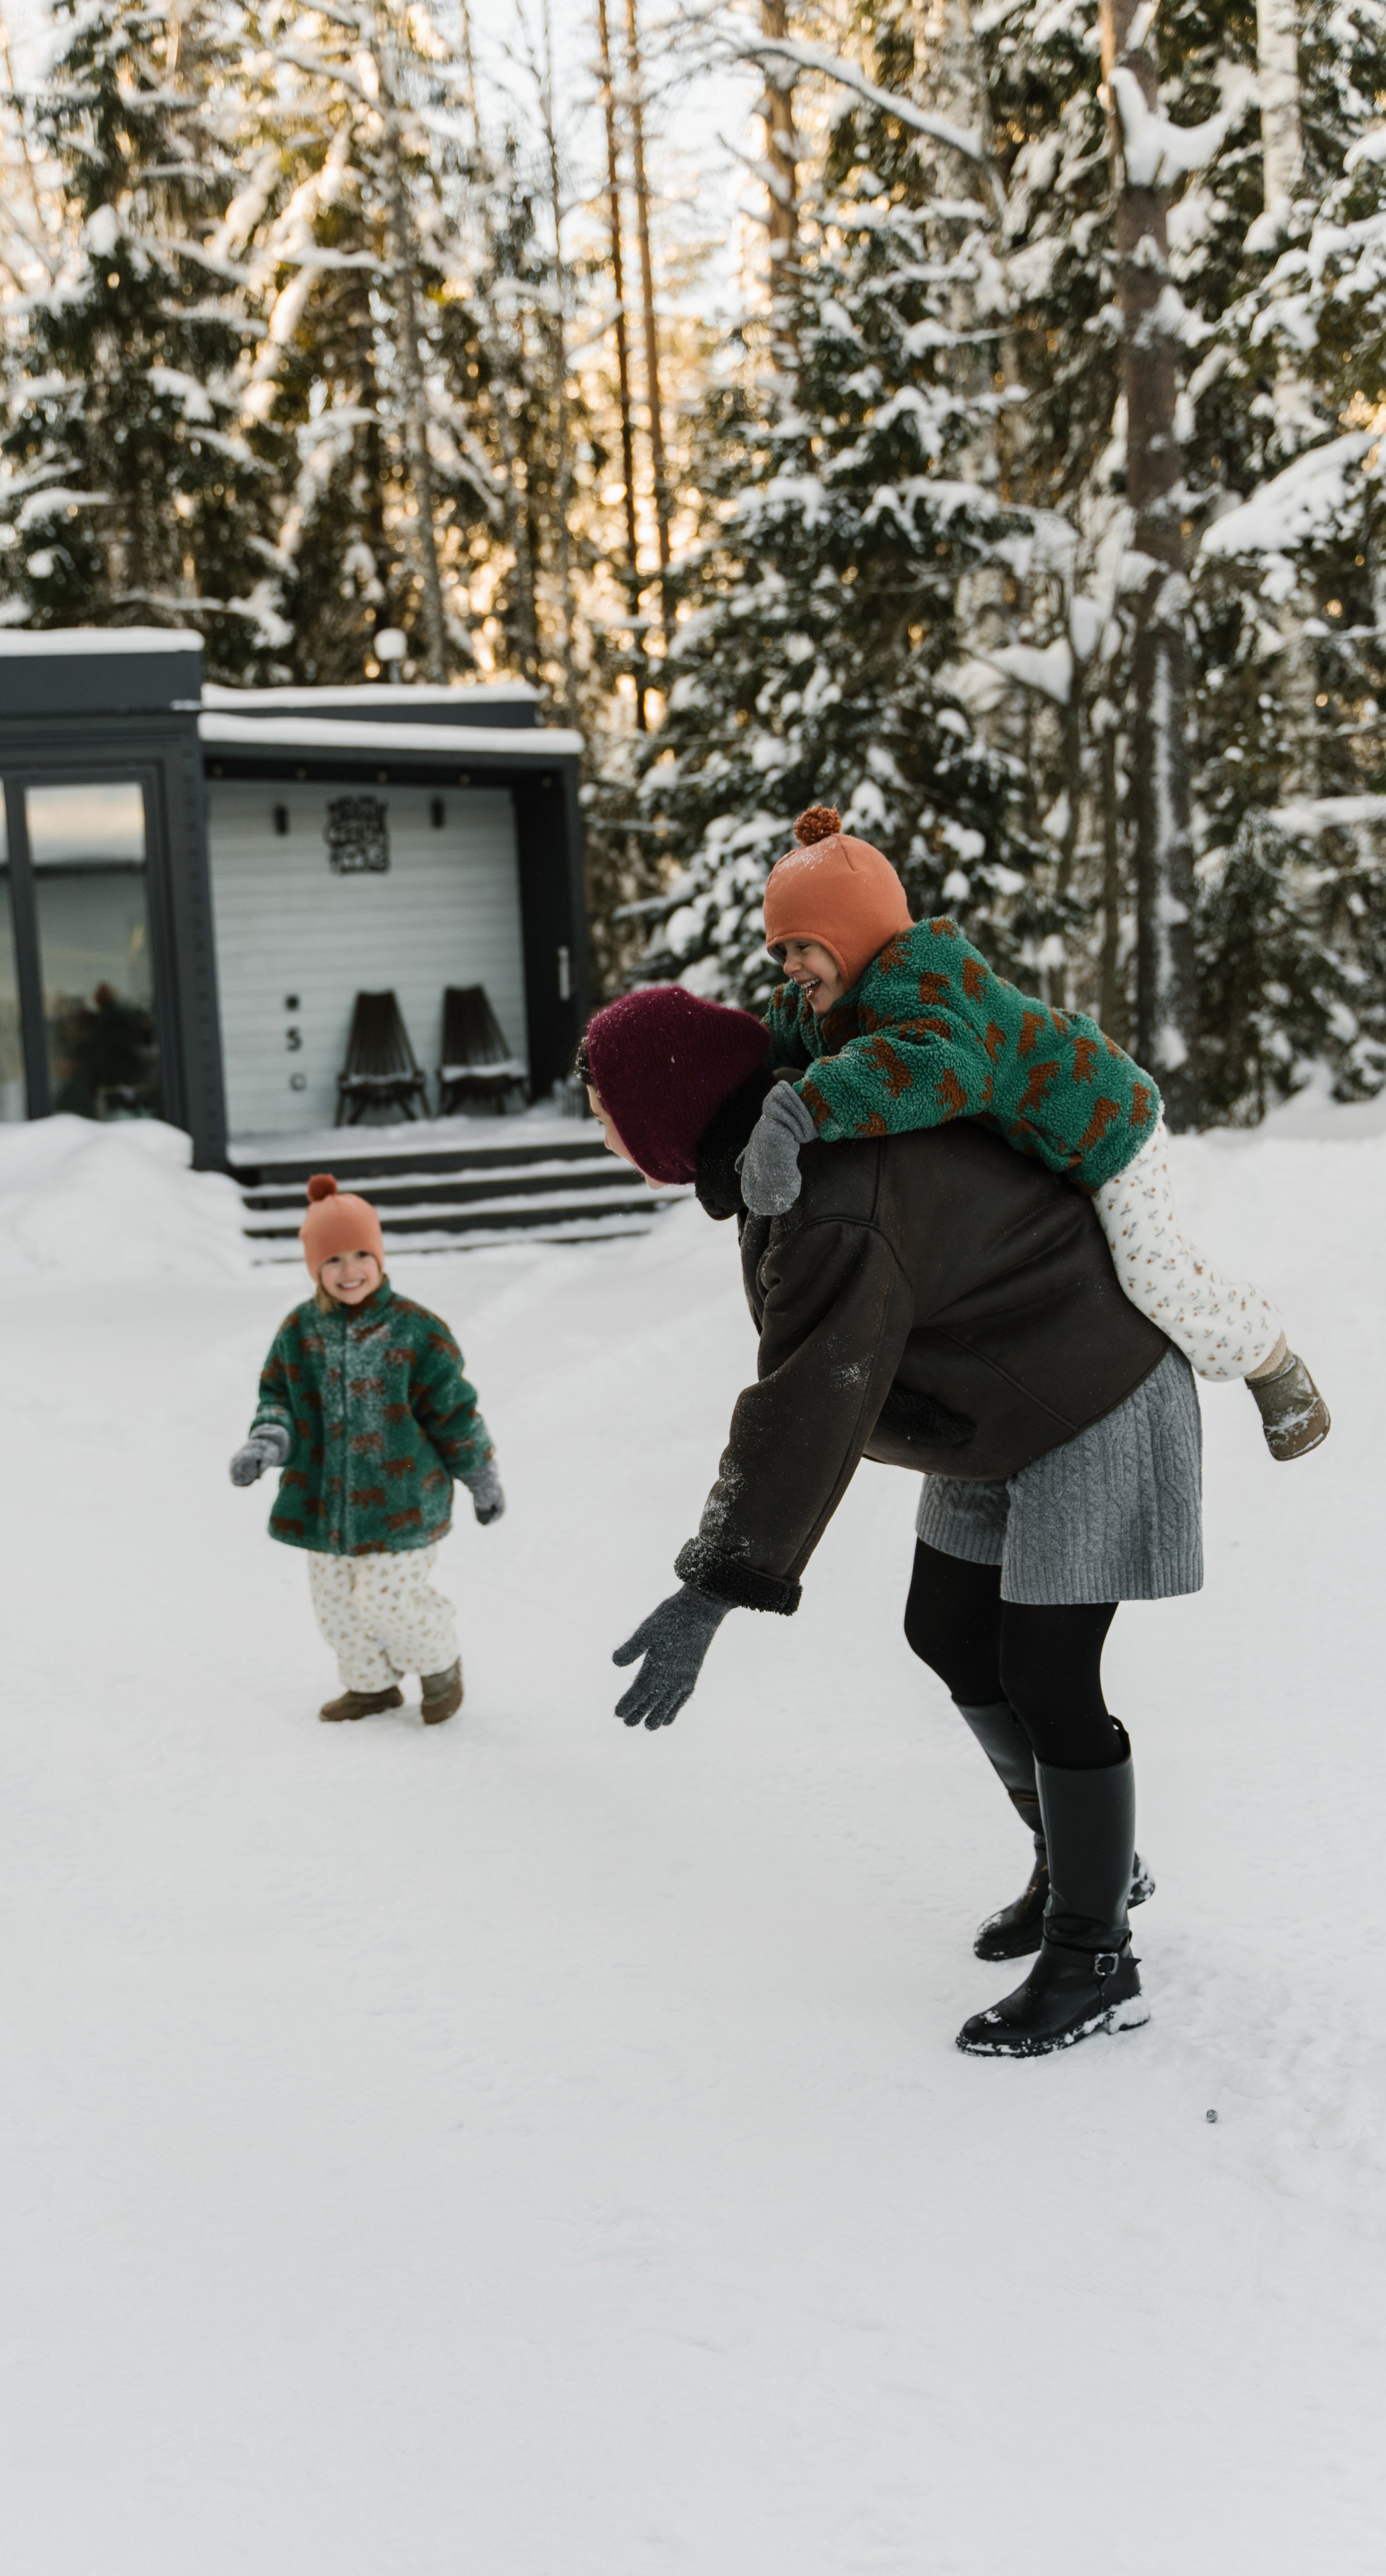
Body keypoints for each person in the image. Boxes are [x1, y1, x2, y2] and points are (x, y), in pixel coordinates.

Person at [580, 983, 1206, 2059]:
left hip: (1093, 1390)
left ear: (665, 1109)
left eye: (604, 1111)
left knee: (1051, 1673)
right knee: (947, 1629)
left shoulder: (826, 1186)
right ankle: (1078, 1857)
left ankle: (1096, 1955)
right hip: (997, 1399)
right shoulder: (778, 1160)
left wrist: (716, 1582)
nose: (600, 1133)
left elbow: (810, 1396)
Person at [737, 804, 1328, 1460]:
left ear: (852, 934)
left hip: (1103, 1122)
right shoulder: (822, 1002)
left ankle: (1270, 1361)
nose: (790, 965)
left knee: (1152, 1277)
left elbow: (934, 1065)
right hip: (1037, 1153)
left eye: (804, 946)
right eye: (781, 950)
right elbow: (764, 1049)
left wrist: (801, 1109)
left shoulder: (925, 983)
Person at [229, 1174, 504, 1725]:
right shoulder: (298, 1332)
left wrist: (480, 1475)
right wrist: (267, 1441)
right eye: (332, 1260)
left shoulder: (415, 1331)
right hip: (324, 1504)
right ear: (314, 1269)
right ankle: (371, 1685)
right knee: (335, 1608)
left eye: (361, 1254)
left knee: (388, 1600)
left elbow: (454, 1411)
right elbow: (278, 1397)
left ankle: (439, 1663)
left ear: (379, 1257)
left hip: (402, 1500)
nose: (349, 1270)